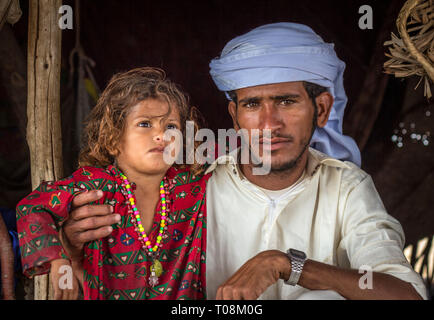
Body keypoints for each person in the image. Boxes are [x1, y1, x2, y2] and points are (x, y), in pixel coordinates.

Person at [60, 23, 428, 300]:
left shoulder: (346, 187)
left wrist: (285, 264)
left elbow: (405, 295)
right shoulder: (191, 184)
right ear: (234, 117)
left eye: (286, 101)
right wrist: (76, 244)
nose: (270, 124)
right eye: (253, 105)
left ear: (320, 109)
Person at [16, 67, 210, 300]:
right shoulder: (95, 186)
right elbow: (33, 207)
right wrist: (60, 260)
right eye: (145, 124)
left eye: (171, 126)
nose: (161, 135)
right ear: (113, 140)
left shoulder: (191, 186)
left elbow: (235, 161)